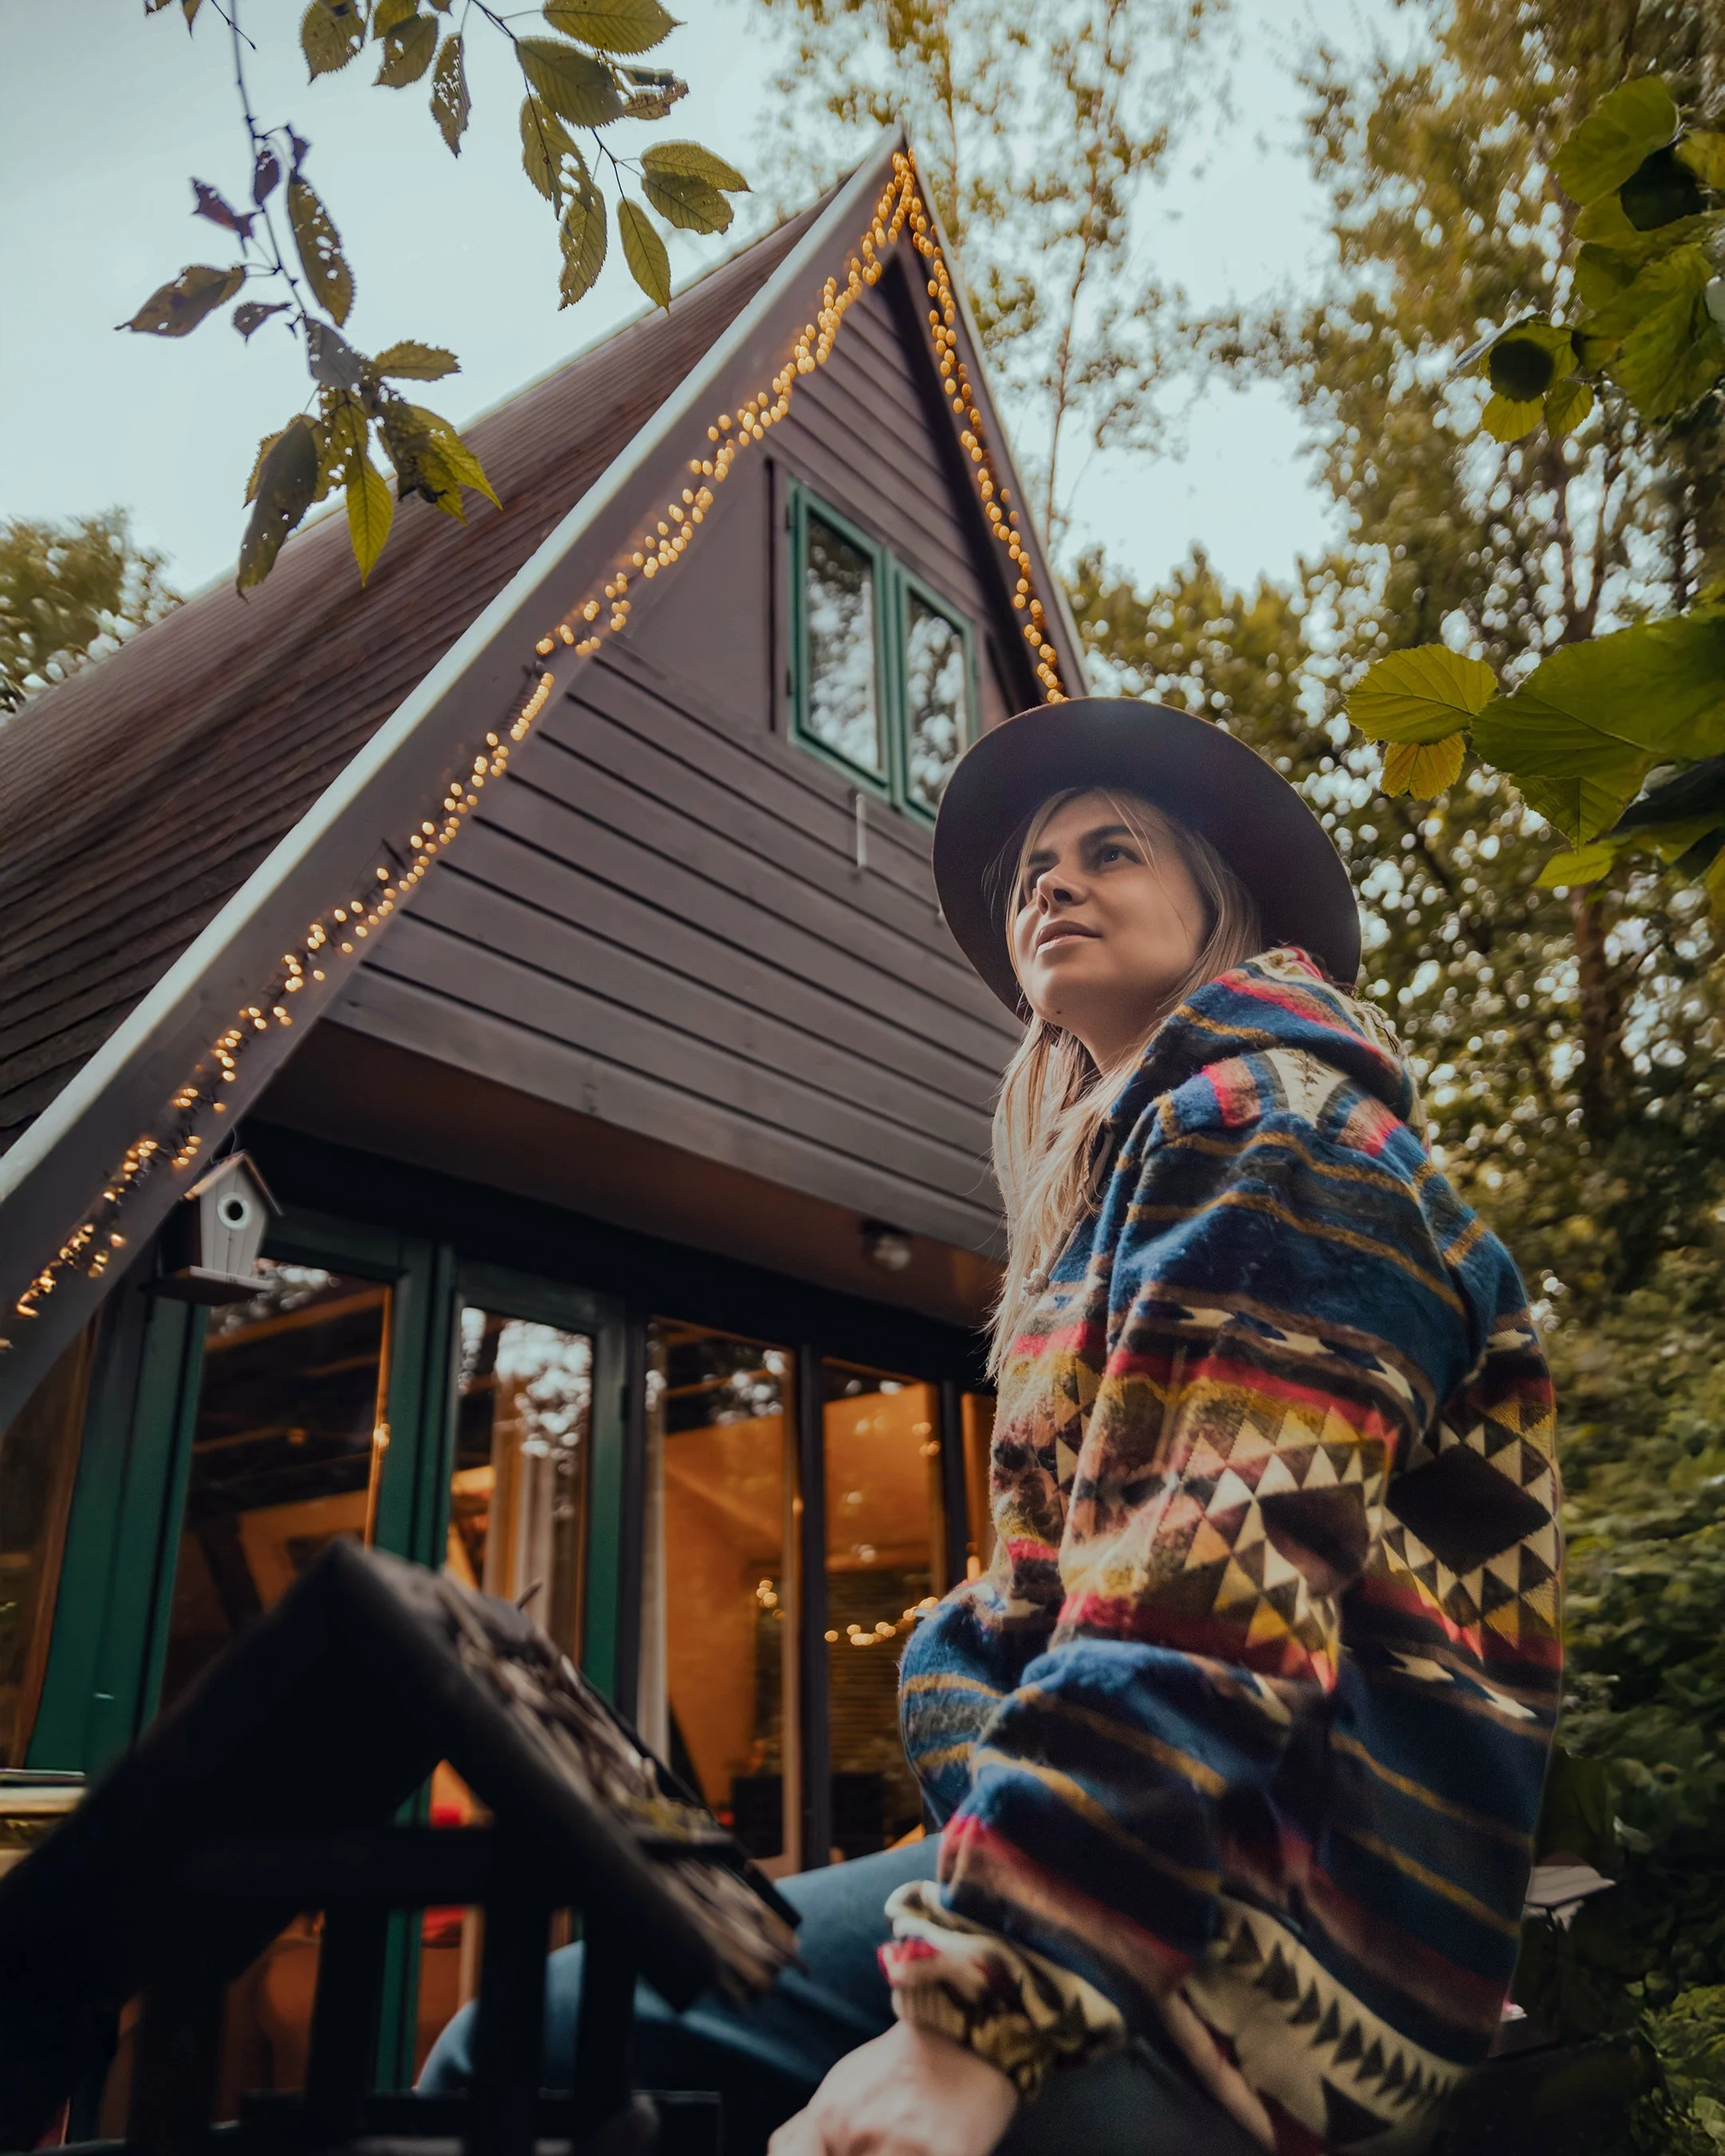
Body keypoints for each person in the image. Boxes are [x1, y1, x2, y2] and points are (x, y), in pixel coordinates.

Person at [421, 699, 1560, 2156]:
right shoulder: (1147, 1172)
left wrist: (979, 2018)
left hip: (1272, 1947)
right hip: (1205, 1891)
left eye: (1110, 850)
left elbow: (1203, 1601)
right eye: (1033, 867)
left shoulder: (1274, 1132)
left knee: (524, 2045)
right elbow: (1060, 1610)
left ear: (1226, 906)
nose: (1049, 883)